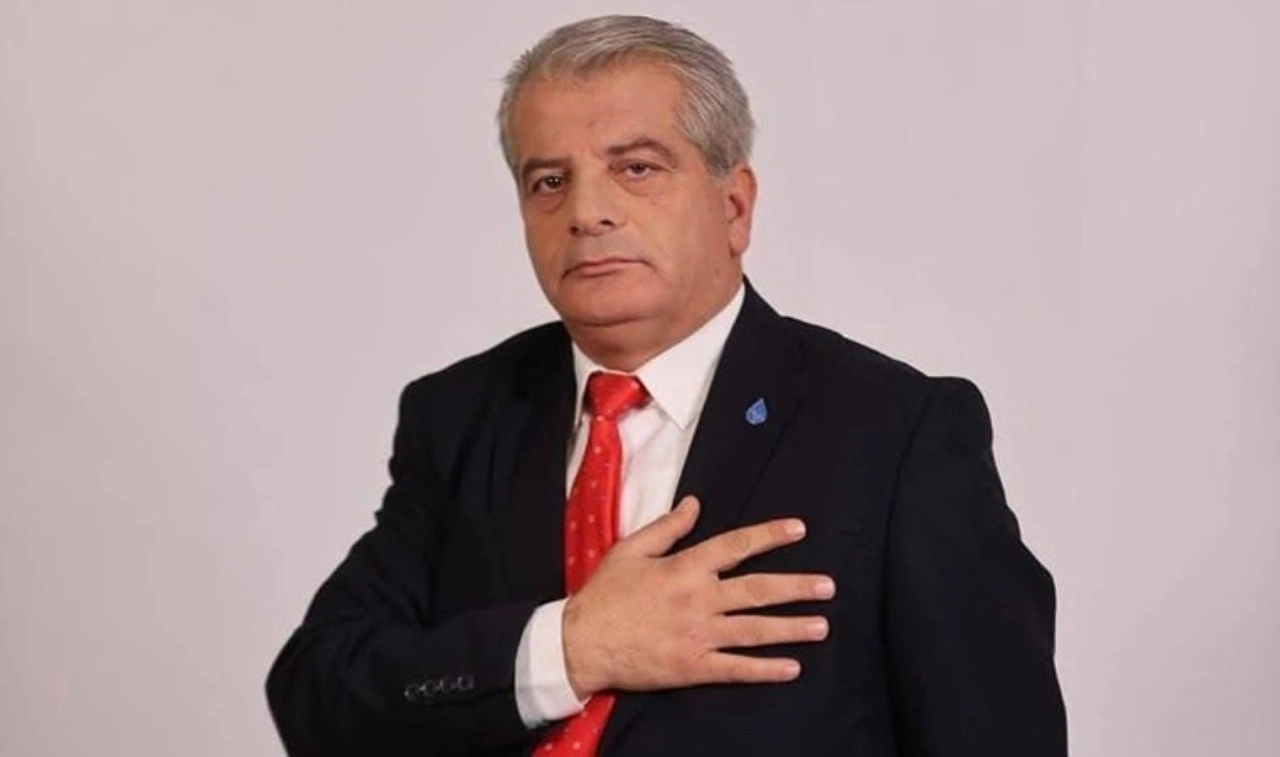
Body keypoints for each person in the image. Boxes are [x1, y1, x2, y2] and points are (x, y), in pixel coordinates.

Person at [266, 14, 1066, 756]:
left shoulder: (896, 432)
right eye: (549, 181)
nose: (587, 212)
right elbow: (317, 698)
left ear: (735, 205)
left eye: (636, 168)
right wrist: (573, 646)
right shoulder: (461, 414)